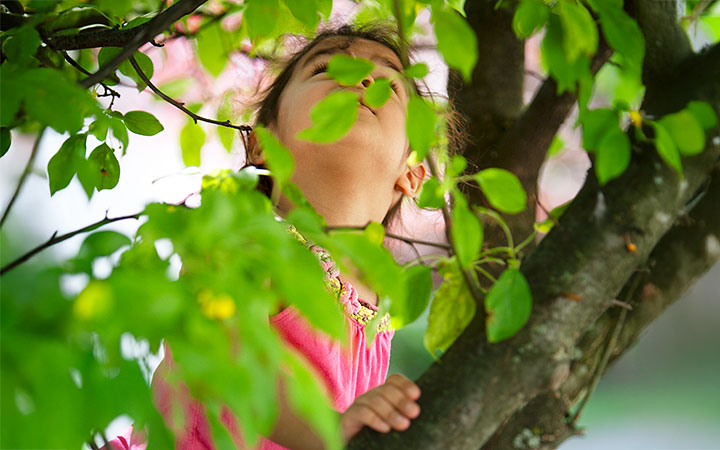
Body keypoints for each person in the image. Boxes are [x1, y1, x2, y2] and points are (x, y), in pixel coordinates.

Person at [107, 21, 465, 450]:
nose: (362, 78)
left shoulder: (379, 311)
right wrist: (332, 429)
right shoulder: (239, 232)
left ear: (411, 174)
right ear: (262, 144)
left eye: (388, 81)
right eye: (326, 69)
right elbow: (223, 360)